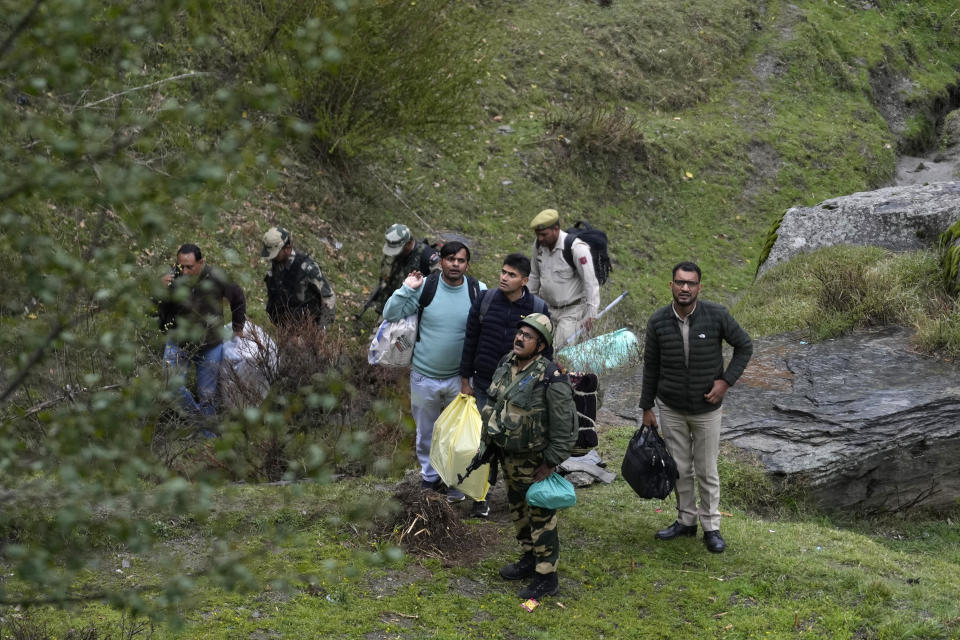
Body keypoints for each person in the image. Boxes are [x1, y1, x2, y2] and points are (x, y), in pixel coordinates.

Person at [638, 261, 753, 553]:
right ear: (671, 286)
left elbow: (744, 346)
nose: (685, 288)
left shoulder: (717, 315)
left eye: (690, 283)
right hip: (671, 407)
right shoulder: (658, 321)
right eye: (679, 282)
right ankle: (685, 520)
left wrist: (725, 382)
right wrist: (646, 407)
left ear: (699, 287)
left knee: (706, 469)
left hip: (707, 409)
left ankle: (711, 527)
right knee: (679, 467)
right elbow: (650, 366)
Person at [480, 313, 576, 600]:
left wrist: (551, 461)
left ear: (541, 346)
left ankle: (547, 577)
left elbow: (565, 425)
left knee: (541, 517)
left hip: (535, 461)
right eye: (519, 333)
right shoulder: (506, 364)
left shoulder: (550, 376)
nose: (520, 338)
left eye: (529, 336)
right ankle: (529, 559)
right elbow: (494, 403)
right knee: (518, 513)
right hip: (508, 456)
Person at [382, 241, 485, 502]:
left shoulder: (477, 291)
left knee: (456, 436)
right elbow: (390, 312)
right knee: (426, 432)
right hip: (423, 375)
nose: (455, 265)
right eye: (450, 259)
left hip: (459, 379)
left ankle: (453, 480)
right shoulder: (426, 286)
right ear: (441, 262)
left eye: (460, 260)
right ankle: (429, 477)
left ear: (467, 264)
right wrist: (406, 289)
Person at [458, 254, 550, 518]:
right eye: (503, 272)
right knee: (481, 443)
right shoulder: (485, 300)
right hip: (485, 384)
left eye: (511, 275)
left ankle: (520, 497)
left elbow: (547, 352)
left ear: (524, 280)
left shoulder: (538, 308)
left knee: (514, 443)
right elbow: (470, 340)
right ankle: (479, 498)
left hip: (521, 390)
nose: (503, 278)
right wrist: (465, 380)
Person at [158, 243, 246, 418]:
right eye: (180, 266)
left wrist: (238, 328)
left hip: (209, 345)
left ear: (201, 263)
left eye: (189, 267)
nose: (184, 271)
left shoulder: (216, 277)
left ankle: (207, 436)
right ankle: (198, 420)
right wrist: (161, 290)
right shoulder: (172, 277)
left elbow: (238, 297)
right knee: (170, 386)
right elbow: (157, 306)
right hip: (178, 342)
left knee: (207, 396)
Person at [526, 208, 600, 348]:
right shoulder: (538, 246)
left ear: (556, 229)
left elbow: (591, 283)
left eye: (544, 234)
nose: (540, 238)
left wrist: (591, 315)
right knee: (537, 347)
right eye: (537, 234)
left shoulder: (576, 249)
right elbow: (534, 276)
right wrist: (528, 303)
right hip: (545, 308)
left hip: (572, 311)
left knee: (558, 350)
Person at [261, 226, 336, 329]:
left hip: (306, 330)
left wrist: (322, 330)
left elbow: (328, 297)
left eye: (276, 255)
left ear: (287, 249)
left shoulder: (307, 268)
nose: (272, 258)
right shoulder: (277, 265)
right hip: (283, 328)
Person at [364, 223, 440, 318]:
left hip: (412, 307)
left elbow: (438, 282)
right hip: (394, 299)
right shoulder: (396, 250)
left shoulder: (427, 255)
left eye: (398, 249)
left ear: (409, 243)